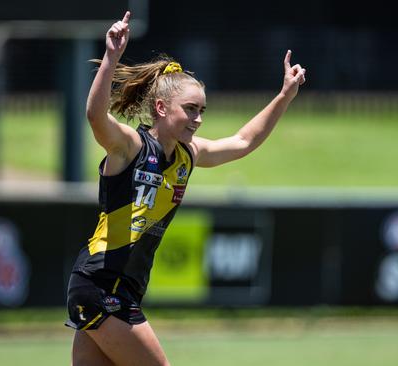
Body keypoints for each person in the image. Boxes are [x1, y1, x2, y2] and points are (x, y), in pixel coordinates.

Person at [65, 10, 306, 366]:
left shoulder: (187, 156)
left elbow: (242, 141)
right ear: (161, 108)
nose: (198, 119)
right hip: (102, 283)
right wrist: (111, 58)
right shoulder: (130, 147)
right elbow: (96, 118)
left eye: (202, 110)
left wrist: (285, 95)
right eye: (190, 109)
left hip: (116, 289)